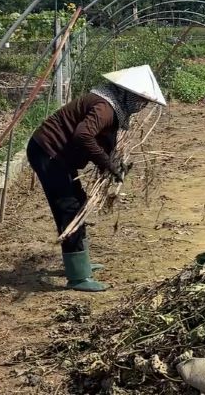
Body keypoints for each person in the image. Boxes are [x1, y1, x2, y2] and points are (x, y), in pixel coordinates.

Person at [27, 65, 167, 291]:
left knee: (79, 202)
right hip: (48, 152)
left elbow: (103, 139)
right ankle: (78, 276)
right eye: (141, 100)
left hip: (58, 155)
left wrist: (112, 162)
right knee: (69, 208)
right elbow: (83, 136)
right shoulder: (105, 108)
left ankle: (80, 262)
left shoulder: (110, 104)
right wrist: (106, 164)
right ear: (128, 94)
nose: (142, 106)